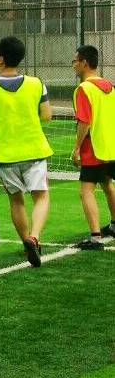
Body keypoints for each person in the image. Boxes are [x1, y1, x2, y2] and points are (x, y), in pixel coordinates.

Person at [0, 35, 52, 267]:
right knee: (41, 196)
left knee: (16, 200)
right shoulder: (36, 83)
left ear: (1, 59)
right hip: (34, 151)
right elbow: (46, 115)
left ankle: (26, 242)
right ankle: (34, 237)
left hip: (6, 156)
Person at [69, 44, 115, 250]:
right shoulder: (110, 87)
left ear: (84, 62)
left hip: (93, 147)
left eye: (74, 61)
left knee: (86, 191)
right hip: (110, 147)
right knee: (107, 184)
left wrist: (77, 148)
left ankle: (95, 237)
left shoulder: (84, 89)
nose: (73, 65)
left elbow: (84, 122)